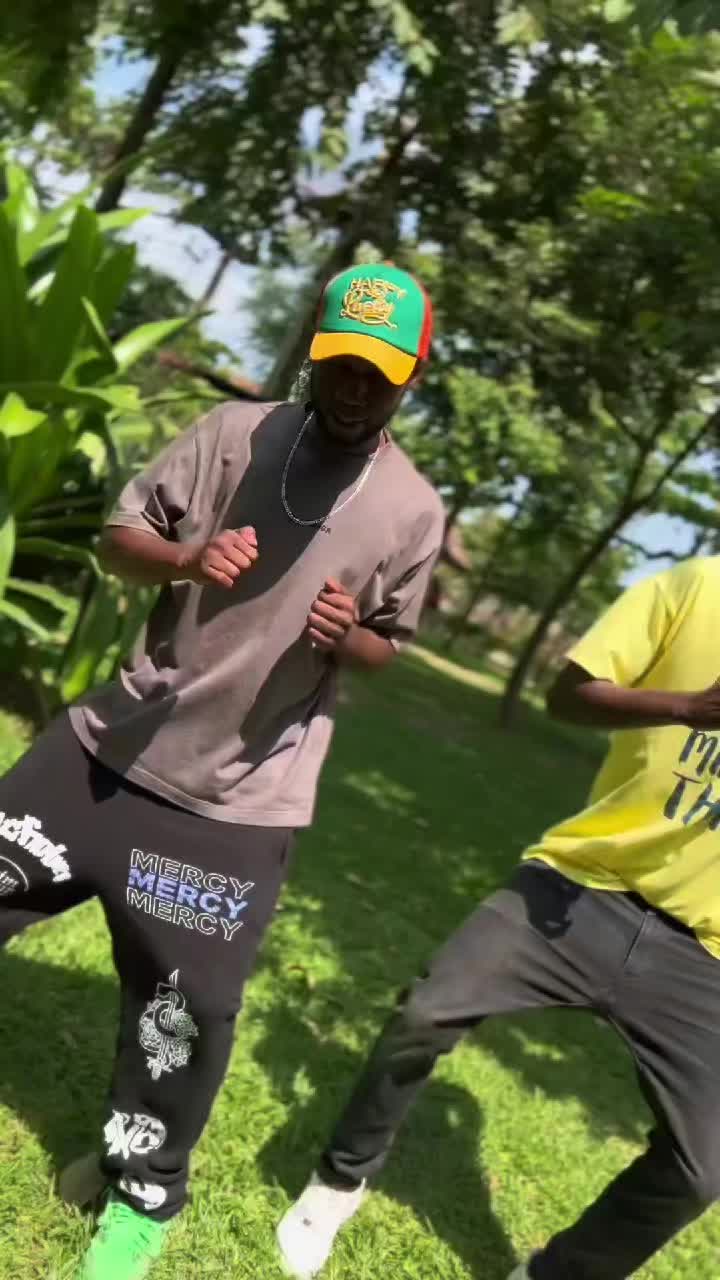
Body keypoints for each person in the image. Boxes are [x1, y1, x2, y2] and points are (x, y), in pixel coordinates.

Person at [0, 262, 444, 1280]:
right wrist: (187, 559)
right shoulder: (231, 435)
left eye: (376, 376)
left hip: (234, 805)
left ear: (410, 378)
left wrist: (346, 637)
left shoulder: (413, 510)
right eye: (339, 365)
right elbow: (121, 541)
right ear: (313, 354)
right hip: (107, 748)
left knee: (185, 1021)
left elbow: (389, 642)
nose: (352, 390)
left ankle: (139, 1199)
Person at [277, 554, 720, 1280]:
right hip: (585, 885)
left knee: (702, 1168)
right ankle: (339, 1180)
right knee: (425, 1013)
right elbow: (569, 695)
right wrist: (686, 708)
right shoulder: (697, 586)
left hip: (706, 954)